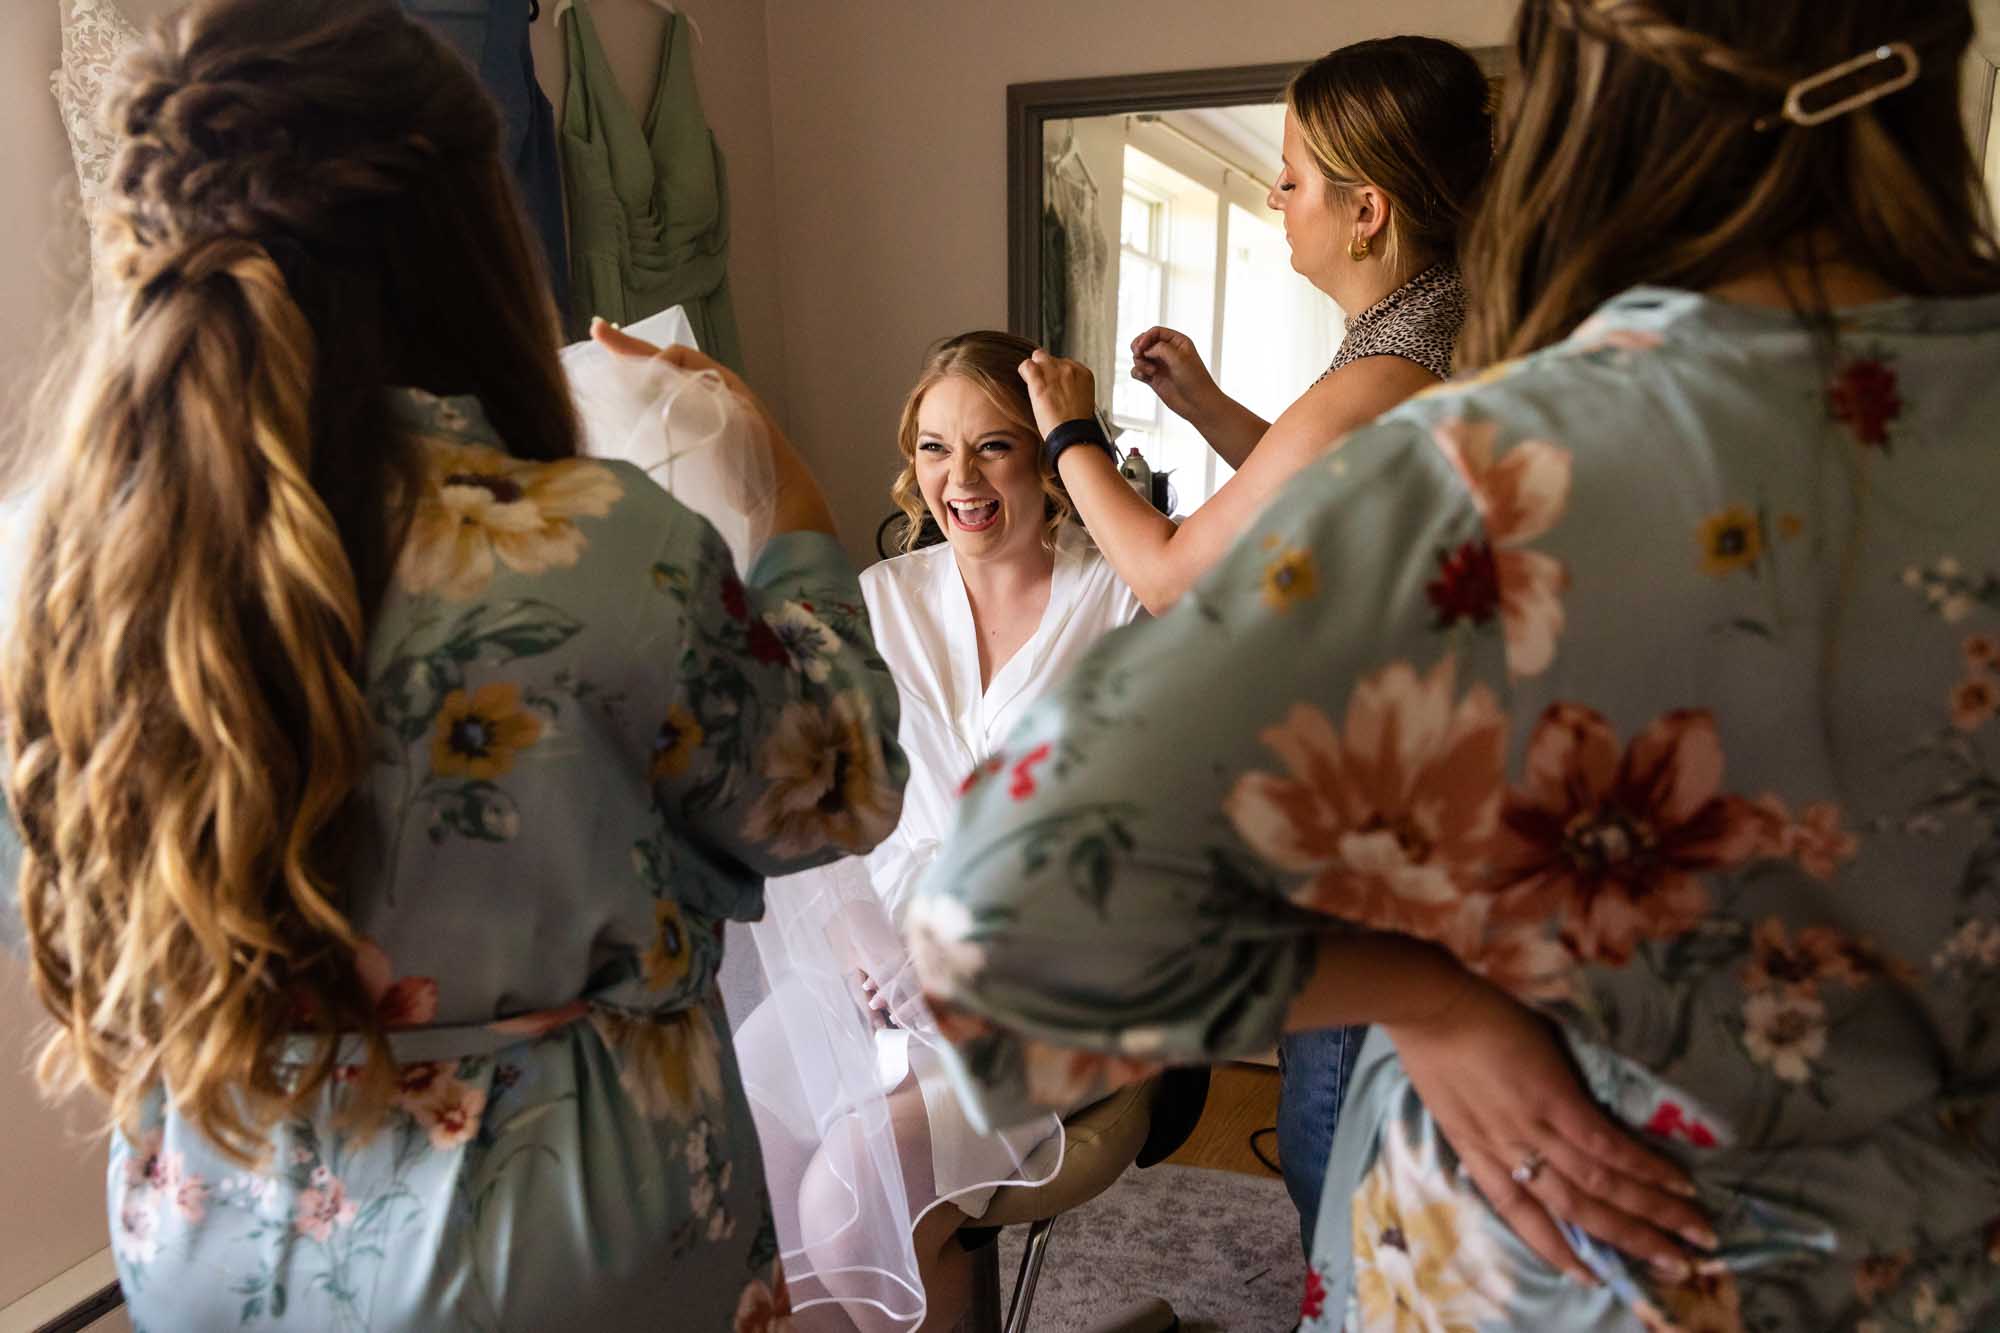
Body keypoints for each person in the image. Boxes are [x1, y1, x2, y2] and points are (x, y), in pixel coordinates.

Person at [915, 0, 2000, 1327]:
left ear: (1589, 100)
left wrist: (1434, 1003)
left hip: (1572, 1269)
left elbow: (1006, 921)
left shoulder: (1507, 466)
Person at [0, 3, 904, 1328]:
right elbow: (838, 784)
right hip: (552, 1245)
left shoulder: (69, 575)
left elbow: (55, 906)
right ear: (463, 231)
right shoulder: (597, 544)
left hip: (215, 1230)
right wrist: (795, 498)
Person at [1026, 35, 1493, 1248]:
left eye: (1288, 178)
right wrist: (1211, 409)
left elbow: (1179, 572)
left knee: (1332, 1138)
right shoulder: (1428, 330)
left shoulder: (1392, 363)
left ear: (1366, 209)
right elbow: (1326, 503)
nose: (1277, 199)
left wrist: (1070, 430)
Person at [731, 331, 1145, 1332]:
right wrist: (862, 955)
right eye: (932, 448)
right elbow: (808, 815)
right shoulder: (874, 604)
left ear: (1050, 454)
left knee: (845, 1204)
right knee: (740, 1163)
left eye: (994, 446)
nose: (959, 479)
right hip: (875, 965)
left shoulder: (1124, 596)